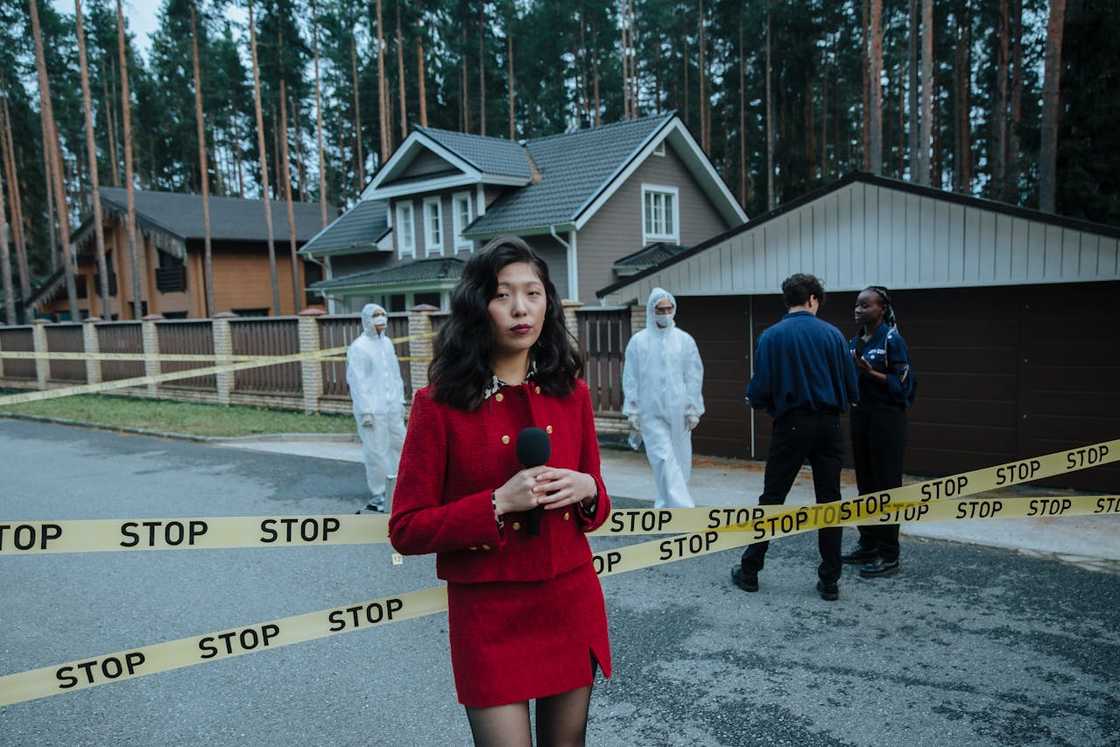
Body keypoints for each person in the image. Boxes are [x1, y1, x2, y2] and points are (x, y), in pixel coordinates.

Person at [388, 237, 612, 746]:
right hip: (489, 614)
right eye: (503, 295)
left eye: (532, 293)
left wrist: (587, 489)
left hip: (568, 599)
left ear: (547, 303)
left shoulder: (570, 392)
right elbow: (405, 528)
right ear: (478, 307)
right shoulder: (438, 404)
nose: (520, 308)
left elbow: (596, 504)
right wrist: (495, 504)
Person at [733, 273, 859, 601]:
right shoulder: (833, 335)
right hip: (829, 425)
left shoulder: (771, 337)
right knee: (830, 500)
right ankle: (830, 580)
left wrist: (760, 400)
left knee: (772, 498)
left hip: (790, 424)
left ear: (788, 299)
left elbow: (759, 390)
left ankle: (750, 571)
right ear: (813, 299)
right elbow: (851, 388)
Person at [842, 286, 916, 578]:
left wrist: (869, 372)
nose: (858, 310)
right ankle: (868, 543)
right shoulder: (854, 340)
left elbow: (905, 385)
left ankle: (889, 554)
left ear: (881, 308)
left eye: (865, 305)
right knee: (866, 484)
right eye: (856, 306)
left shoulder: (892, 340)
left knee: (886, 485)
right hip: (861, 416)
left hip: (887, 419)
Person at [622, 288, 705, 508]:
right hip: (650, 411)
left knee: (680, 460)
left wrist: (693, 408)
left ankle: (666, 503)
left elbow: (694, 375)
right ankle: (685, 509)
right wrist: (632, 409)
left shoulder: (684, 341)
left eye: (669, 309)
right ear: (651, 310)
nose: (666, 313)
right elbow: (630, 377)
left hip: (679, 410)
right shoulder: (639, 342)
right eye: (661, 309)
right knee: (662, 458)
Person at [346, 303, 406, 514]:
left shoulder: (387, 344)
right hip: (373, 410)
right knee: (377, 451)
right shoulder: (359, 347)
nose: (380, 319)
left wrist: (400, 402)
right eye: (375, 315)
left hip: (392, 408)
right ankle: (380, 493)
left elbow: (395, 376)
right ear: (366, 320)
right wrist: (365, 411)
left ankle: (400, 487)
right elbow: (357, 382)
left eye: (382, 314)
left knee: (401, 445)